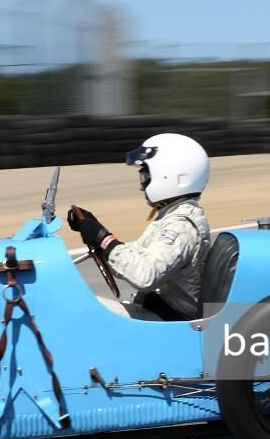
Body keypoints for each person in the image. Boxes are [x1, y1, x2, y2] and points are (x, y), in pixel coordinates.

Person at [68, 133, 211, 321]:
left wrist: (103, 239)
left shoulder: (181, 226)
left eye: (145, 176)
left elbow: (144, 275)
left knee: (76, 307)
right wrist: (96, 231)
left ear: (173, 176)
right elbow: (134, 258)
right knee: (70, 301)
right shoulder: (171, 216)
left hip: (168, 323)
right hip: (156, 310)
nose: (141, 187)